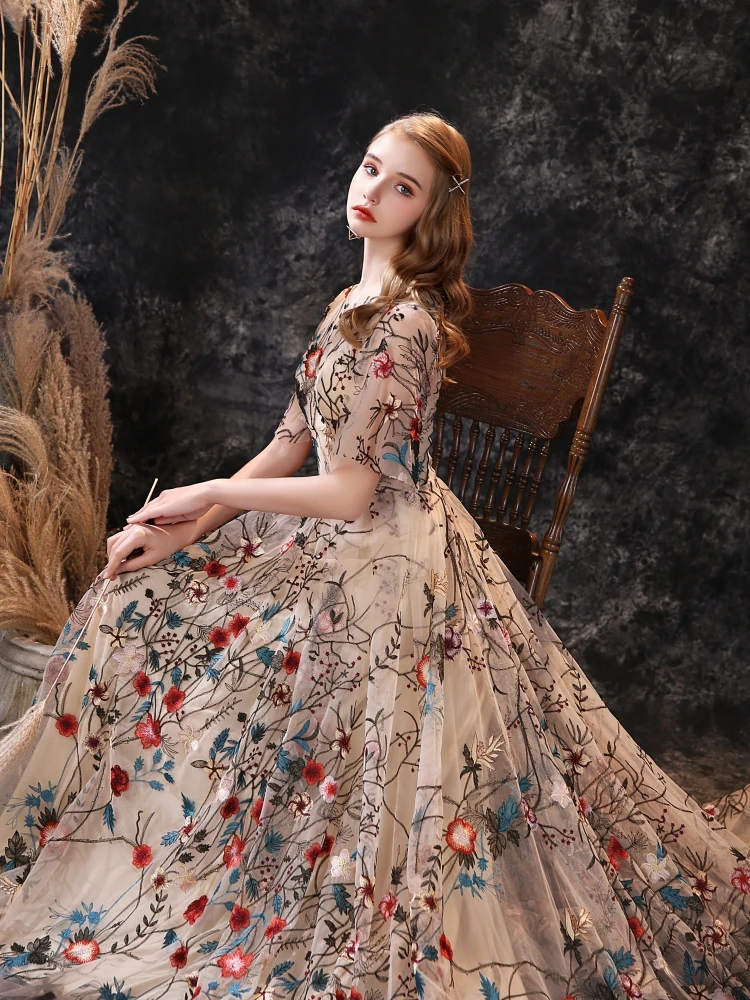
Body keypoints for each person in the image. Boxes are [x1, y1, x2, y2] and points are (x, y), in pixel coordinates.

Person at [0, 110, 748, 1000]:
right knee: (142, 584)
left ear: (428, 212)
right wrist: (191, 525)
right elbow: (289, 444)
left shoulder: (405, 327)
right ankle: (117, 838)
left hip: (386, 556)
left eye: (402, 187)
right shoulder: (348, 305)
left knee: (202, 634)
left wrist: (208, 492)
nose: (371, 193)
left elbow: (352, 491)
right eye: (368, 169)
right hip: (331, 534)